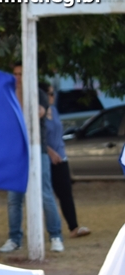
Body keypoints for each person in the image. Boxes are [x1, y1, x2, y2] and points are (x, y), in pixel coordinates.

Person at [0, 63, 65, 253]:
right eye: (15, 74)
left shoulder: (39, 94)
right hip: (14, 152)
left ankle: (55, 236)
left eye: (21, 74)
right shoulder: (9, 94)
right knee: (14, 198)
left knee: (45, 194)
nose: (18, 77)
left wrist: (21, 93)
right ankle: (14, 238)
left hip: (37, 150)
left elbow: (34, 114)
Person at [42, 82, 90, 239]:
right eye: (50, 94)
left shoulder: (54, 110)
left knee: (66, 193)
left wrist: (60, 152)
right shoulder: (39, 114)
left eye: (53, 93)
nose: (53, 96)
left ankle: (73, 227)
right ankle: (51, 230)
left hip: (61, 157)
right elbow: (37, 137)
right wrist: (50, 153)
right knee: (47, 196)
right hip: (46, 158)